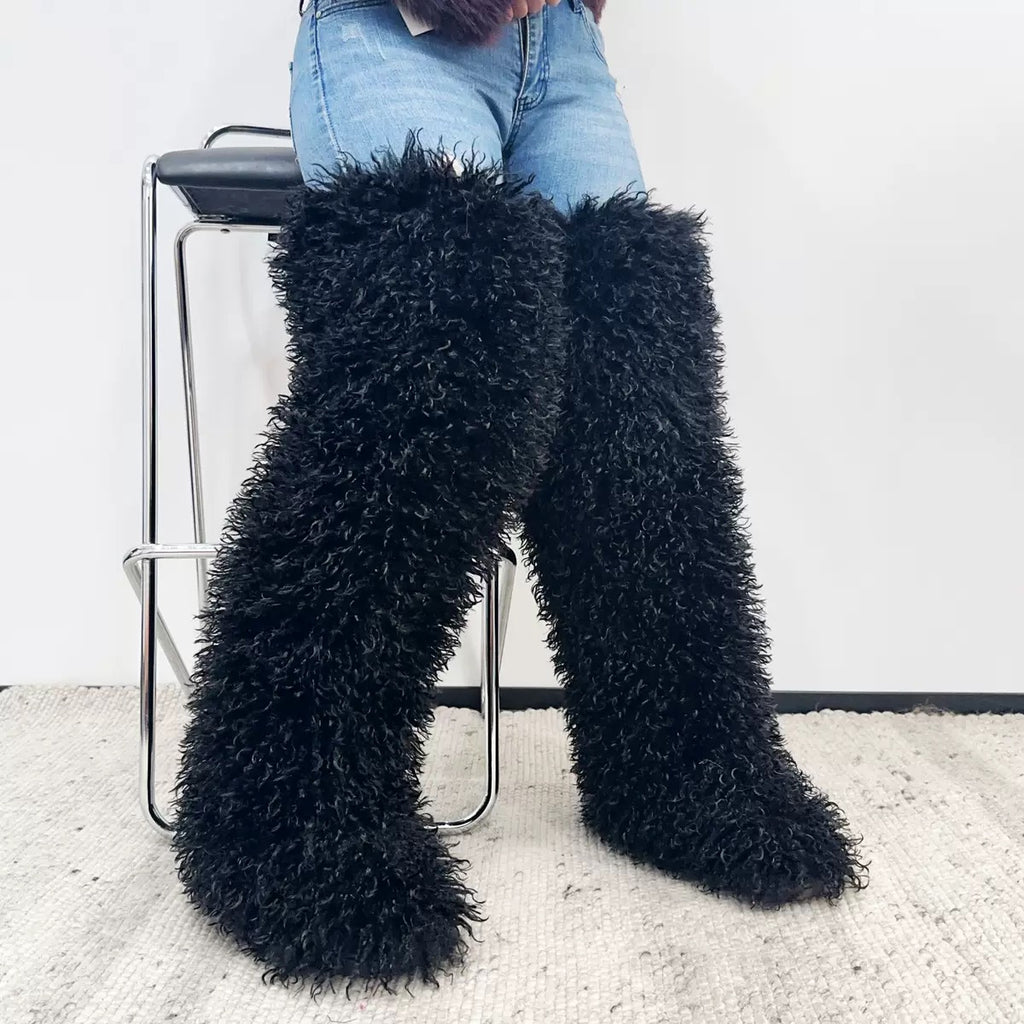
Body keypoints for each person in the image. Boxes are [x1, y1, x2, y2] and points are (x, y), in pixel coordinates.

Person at [170, 0, 868, 995]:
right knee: (437, 354)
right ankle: (282, 810)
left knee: (636, 388)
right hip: (392, 28)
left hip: (563, 46)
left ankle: (677, 773)